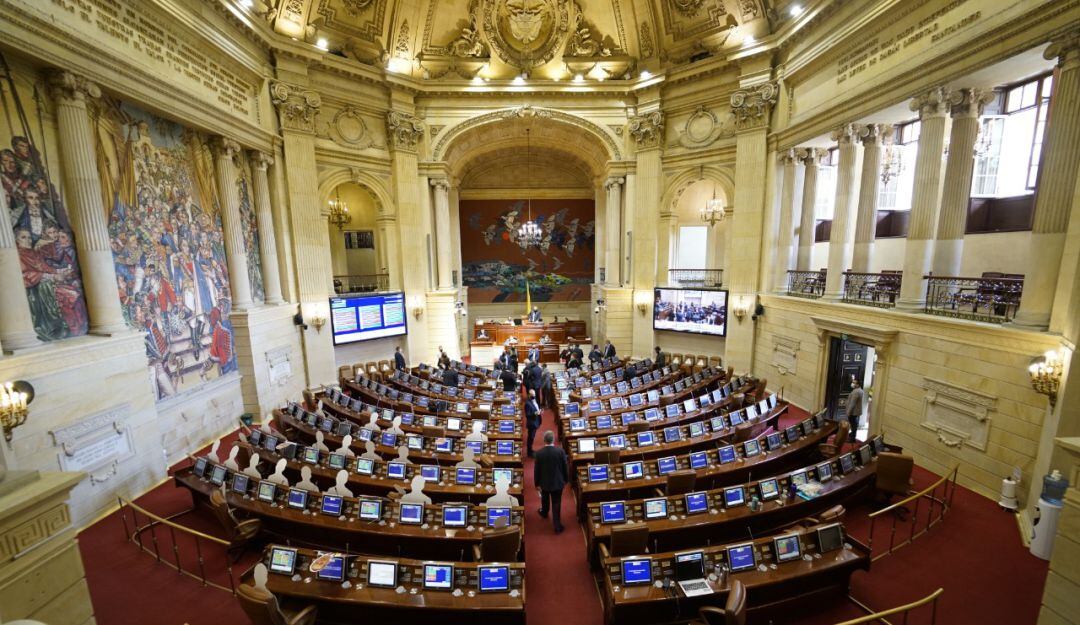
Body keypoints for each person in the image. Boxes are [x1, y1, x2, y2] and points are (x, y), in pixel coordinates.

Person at [534, 430, 568, 533]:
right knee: (556, 503)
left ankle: (544, 512)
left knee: (544, 499)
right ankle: (557, 526)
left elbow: (537, 470)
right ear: (553, 440)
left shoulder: (539, 453)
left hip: (544, 483)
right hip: (558, 482)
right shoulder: (560, 451)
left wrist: (537, 483)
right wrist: (566, 480)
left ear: (544, 440)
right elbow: (565, 467)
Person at [846, 378, 865, 442]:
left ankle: (852, 438)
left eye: (854, 383)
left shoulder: (856, 392)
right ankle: (852, 435)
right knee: (854, 424)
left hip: (853, 412)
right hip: (856, 411)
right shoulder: (860, 390)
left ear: (858, 384)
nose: (852, 384)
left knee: (853, 425)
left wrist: (848, 412)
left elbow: (852, 403)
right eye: (853, 382)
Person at [525, 389, 542, 457]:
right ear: (529, 395)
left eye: (534, 395)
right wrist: (535, 413)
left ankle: (531, 450)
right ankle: (529, 452)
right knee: (530, 438)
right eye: (532, 395)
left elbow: (536, 407)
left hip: (535, 421)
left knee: (532, 437)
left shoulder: (534, 400)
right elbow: (527, 415)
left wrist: (539, 411)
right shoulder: (527, 404)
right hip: (531, 424)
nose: (534, 396)